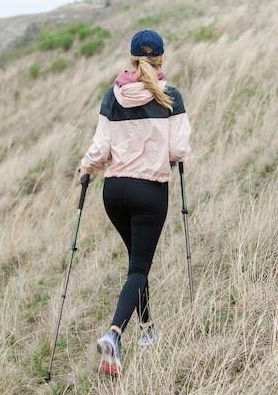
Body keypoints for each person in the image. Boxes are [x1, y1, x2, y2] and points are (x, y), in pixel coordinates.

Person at [79, 29, 191, 376]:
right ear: (161, 60)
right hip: (149, 192)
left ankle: (146, 330)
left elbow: (100, 147)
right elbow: (178, 150)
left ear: (131, 59)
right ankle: (114, 334)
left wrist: (87, 169)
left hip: (114, 191)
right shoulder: (170, 96)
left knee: (135, 264)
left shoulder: (112, 96)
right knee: (139, 268)